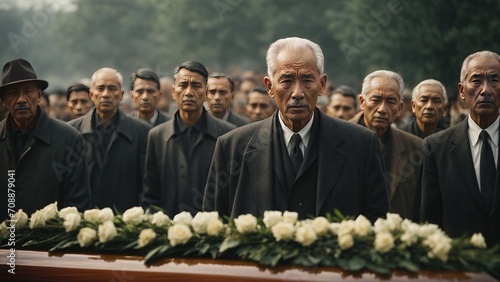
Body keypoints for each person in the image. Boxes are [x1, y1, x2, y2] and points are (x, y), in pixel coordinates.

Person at [203, 37, 388, 222]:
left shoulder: (360, 145)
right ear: (269, 86)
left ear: (322, 84)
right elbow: (215, 228)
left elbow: (376, 224)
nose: (298, 92)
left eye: (307, 80)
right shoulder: (232, 148)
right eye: (287, 80)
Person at [421, 51, 500, 247]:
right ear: (462, 91)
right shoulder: (436, 147)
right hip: (458, 269)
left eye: (494, 80)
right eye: (476, 80)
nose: (485, 90)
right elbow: (430, 222)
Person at [142, 61, 235, 217]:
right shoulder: (157, 136)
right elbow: (150, 194)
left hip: (213, 233)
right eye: (183, 85)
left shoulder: (227, 135)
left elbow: (232, 193)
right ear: (173, 91)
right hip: (169, 232)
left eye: (196, 86)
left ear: (206, 93)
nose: (189, 92)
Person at [0, 59, 91, 219]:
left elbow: (77, 205)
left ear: (39, 96)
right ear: (4, 102)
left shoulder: (68, 138)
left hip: (47, 241)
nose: (21, 99)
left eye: (28, 92)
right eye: (13, 93)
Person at [68, 67, 151, 213]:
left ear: (121, 95)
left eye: (112, 89)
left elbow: (147, 186)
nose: (106, 94)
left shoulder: (142, 132)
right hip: (82, 224)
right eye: (101, 88)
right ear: (92, 94)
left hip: (127, 223)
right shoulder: (71, 132)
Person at [350, 70, 422, 221]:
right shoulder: (335, 139)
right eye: (376, 100)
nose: (382, 109)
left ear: (400, 108)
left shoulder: (416, 148)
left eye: (390, 101)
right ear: (362, 102)